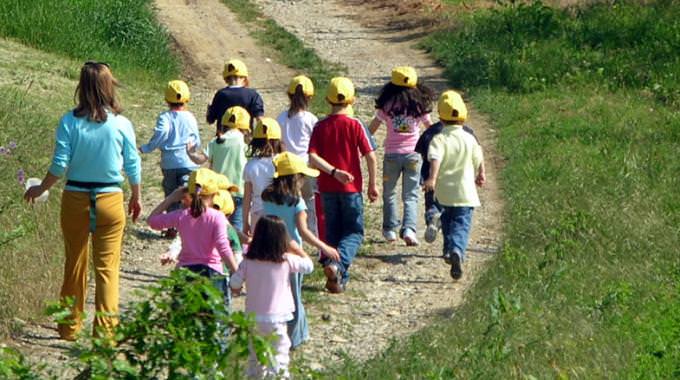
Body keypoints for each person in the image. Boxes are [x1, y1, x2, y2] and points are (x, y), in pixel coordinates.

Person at [23, 61, 142, 340]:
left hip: (76, 196)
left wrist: (40, 188)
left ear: (81, 86)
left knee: (74, 263)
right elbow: (133, 164)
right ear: (109, 86)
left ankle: (68, 326)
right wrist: (136, 196)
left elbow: (59, 164)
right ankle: (106, 335)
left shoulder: (69, 121)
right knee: (107, 269)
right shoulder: (121, 123)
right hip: (110, 198)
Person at [261, 152, 340, 348]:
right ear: (296, 178)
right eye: (302, 176)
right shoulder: (297, 202)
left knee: (276, 295)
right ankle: (293, 341)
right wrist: (324, 247)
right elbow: (303, 232)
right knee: (294, 299)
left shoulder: (267, 197)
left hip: (270, 249)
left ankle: (301, 336)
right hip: (293, 254)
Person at [308, 77, 378, 293]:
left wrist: (333, 172)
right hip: (351, 190)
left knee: (333, 234)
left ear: (328, 100)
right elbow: (371, 156)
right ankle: (336, 264)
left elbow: (312, 158)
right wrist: (372, 185)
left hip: (327, 188)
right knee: (354, 232)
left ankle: (338, 279)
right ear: (353, 100)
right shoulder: (355, 124)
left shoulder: (320, 126)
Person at [229, 215, 314, 379]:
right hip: (277, 318)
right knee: (279, 357)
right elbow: (309, 266)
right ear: (282, 239)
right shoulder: (286, 260)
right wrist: (297, 248)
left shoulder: (248, 262)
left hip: (253, 317)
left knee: (255, 357)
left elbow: (234, 282)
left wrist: (236, 288)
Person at [148, 168, 239, 304]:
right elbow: (223, 248)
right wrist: (237, 273)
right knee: (214, 321)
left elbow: (152, 221)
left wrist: (171, 198)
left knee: (183, 320)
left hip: (185, 272)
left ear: (188, 193)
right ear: (215, 194)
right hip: (211, 273)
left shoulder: (182, 215)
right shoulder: (217, 217)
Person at [368, 66, 435, 246]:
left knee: (389, 193)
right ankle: (409, 230)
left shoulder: (387, 105)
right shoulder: (419, 106)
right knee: (411, 195)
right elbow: (431, 128)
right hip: (414, 156)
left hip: (391, 156)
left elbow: (372, 129)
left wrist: (361, 142)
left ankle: (390, 229)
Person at [423, 91, 485, 280]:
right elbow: (479, 157)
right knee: (461, 224)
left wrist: (432, 178)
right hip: (466, 193)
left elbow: (435, 158)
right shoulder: (470, 138)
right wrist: (482, 174)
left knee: (448, 223)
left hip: (445, 193)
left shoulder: (439, 139)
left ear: (440, 115)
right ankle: (456, 250)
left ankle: (449, 252)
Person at [139, 80, 200, 238]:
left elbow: (163, 132)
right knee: (188, 194)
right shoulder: (190, 117)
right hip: (188, 162)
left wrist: (148, 147)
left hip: (170, 162)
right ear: (187, 99)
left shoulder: (165, 117)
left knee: (171, 194)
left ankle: (172, 226)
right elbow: (196, 139)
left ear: (166, 99)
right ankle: (190, 225)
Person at [415, 109, 478, 244]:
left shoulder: (431, 132)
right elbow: (477, 155)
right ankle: (453, 245)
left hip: (433, 179)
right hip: (458, 182)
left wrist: (429, 178)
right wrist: (480, 173)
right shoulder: (468, 133)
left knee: (432, 203)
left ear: (441, 115)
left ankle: (433, 217)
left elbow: (422, 154)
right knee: (454, 214)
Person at [187, 106, 250, 231]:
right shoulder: (245, 143)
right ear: (245, 127)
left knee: (217, 227)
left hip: (218, 191)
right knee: (236, 229)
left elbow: (200, 160)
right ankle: (235, 249)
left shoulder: (216, 141)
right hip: (239, 190)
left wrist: (190, 152)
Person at [276, 75, 319, 234]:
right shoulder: (311, 119)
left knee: (290, 199)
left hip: (287, 166)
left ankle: (290, 228)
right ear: (310, 97)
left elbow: (278, 143)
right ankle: (312, 229)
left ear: (289, 95)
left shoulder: (281, 118)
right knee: (309, 198)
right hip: (306, 165)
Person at [242, 117, 284, 235]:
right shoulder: (283, 162)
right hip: (281, 214)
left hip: (258, 214)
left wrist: (245, 222)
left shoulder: (250, 166)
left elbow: (247, 198)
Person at [206, 58, 264, 133]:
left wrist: (209, 110)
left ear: (226, 79)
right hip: (245, 138)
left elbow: (210, 120)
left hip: (223, 139)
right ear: (244, 78)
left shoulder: (220, 94)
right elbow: (260, 119)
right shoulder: (253, 95)